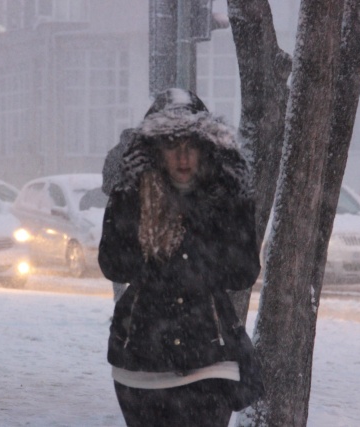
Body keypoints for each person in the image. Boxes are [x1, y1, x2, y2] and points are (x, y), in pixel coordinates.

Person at [98, 88, 261, 426]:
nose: (183, 157)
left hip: (210, 355)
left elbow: (243, 273)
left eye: (192, 146)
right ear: (156, 151)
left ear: (207, 150)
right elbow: (113, 264)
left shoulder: (224, 197)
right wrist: (128, 198)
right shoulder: (133, 195)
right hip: (140, 360)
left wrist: (235, 204)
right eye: (172, 146)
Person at [101, 128, 135, 302]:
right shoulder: (139, 156)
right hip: (131, 217)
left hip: (119, 216)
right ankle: (127, 304)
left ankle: (121, 303)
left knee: (119, 261)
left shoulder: (114, 155)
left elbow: (105, 186)